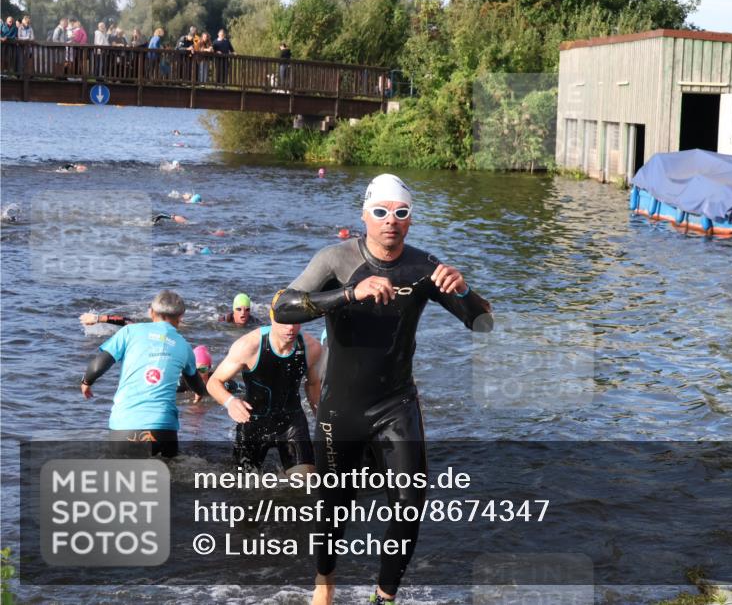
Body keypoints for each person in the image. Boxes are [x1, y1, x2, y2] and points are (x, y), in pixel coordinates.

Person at [271, 173, 493, 605]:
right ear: (365, 216)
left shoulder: (425, 267)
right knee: (334, 508)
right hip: (341, 409)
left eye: (400, 213)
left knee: (411, 502)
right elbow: (282, 306)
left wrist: (464, 290)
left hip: (396, 403)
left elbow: (483, 323)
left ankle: (384, 597)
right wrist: (350, 294)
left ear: (409, 221)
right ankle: (325, 583)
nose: (390, 220)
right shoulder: (336, 260)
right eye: (380, 212)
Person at [79, 290, 206, 458]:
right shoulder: (184, 346)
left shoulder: (129, 332)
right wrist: (199, 393)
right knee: (170, 478)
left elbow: (98, 366)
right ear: (181, 316)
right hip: (163, 428)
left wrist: (86, 382)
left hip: (124, 427)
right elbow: (195, 381)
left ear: (151, 312)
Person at [207, 314, 323, 475]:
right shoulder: (248, 346)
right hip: (253, 423)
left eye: (295, 321)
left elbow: (312, 384)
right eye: (284, 322)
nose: (290, 328)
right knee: (241, 486)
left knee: (304, 484)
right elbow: (214, 382)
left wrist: (322, 421)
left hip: (291, 423)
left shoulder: (312, 347)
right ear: (272, 318)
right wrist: (230, 402)